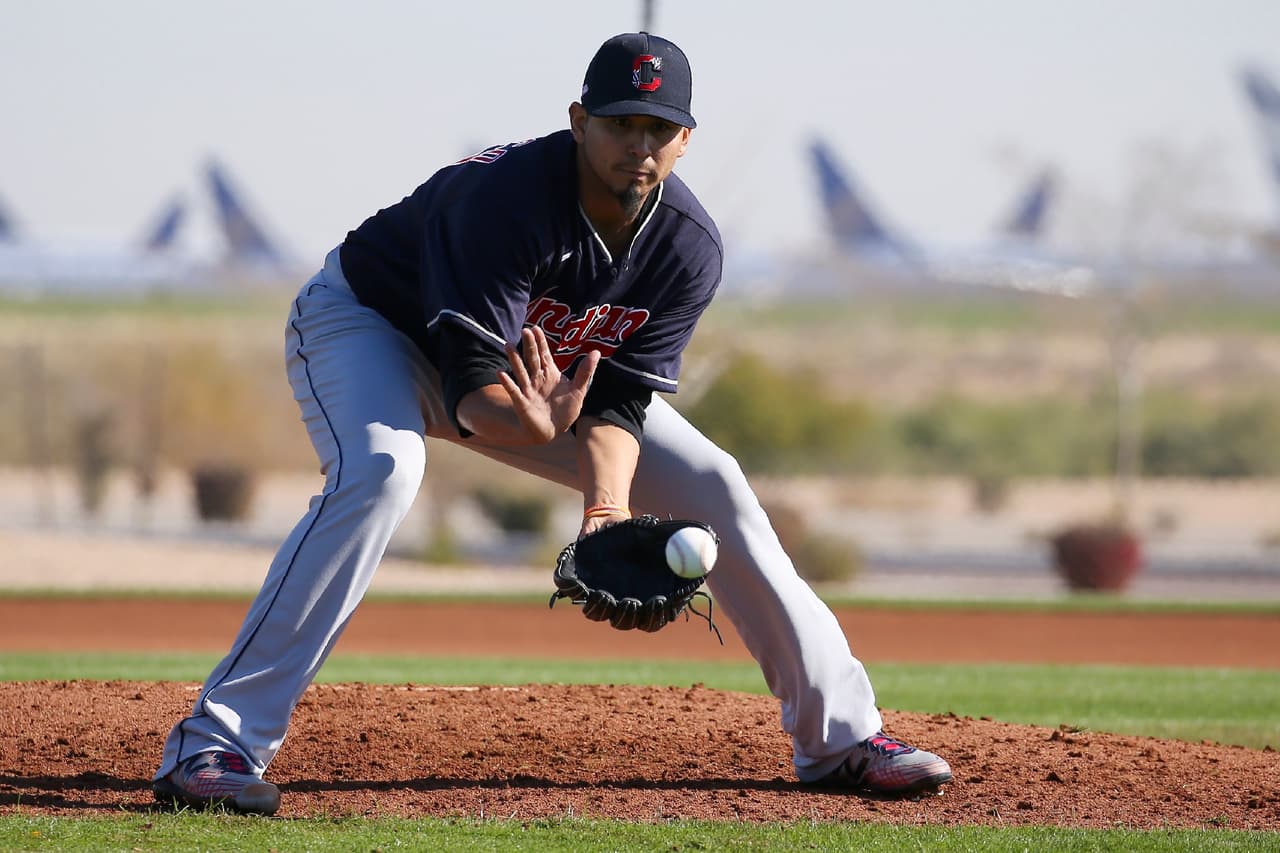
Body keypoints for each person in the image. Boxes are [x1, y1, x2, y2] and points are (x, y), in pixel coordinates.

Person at [151, 32, 952, 816]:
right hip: (370, 327)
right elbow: (471, 396)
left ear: (685, 141)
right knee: (382, 472)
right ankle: (213, 745)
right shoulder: (505, 202)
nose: (638, 144)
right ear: (578, 121)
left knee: (716, 483)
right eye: (619, 122)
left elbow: (620, 402)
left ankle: (842, 739)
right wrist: (530, 426)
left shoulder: (688, 246)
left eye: (658, 128)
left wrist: (605, 510)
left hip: (540, 388)